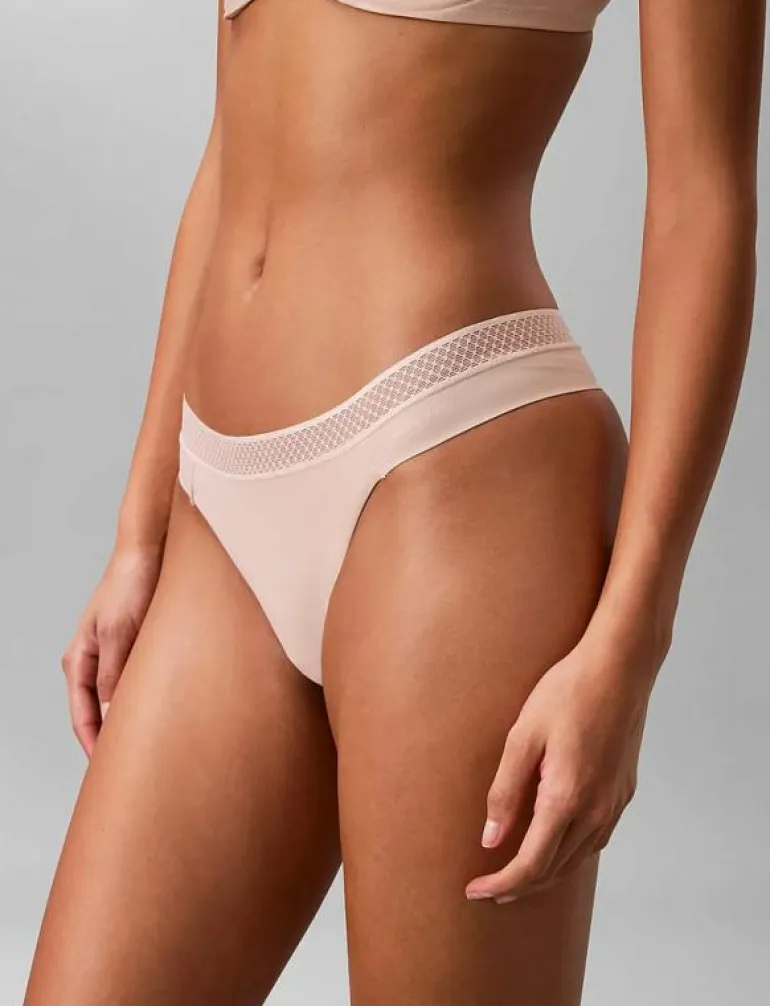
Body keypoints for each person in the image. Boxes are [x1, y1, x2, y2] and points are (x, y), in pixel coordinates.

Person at [24, 1, 765, 1003]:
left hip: (452, 471)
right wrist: (139, 532)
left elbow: (700, 204)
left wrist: (630, 645)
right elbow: (232, 148)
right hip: (217, 515)